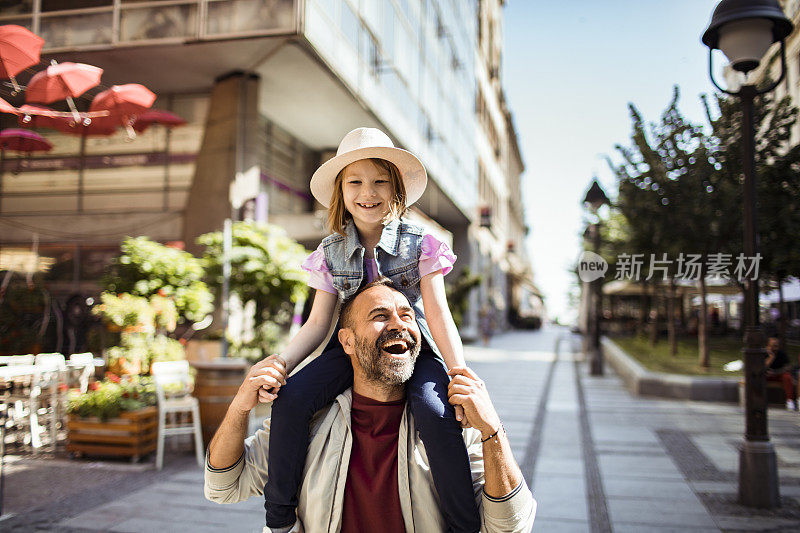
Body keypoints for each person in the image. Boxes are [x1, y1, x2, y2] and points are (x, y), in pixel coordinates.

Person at [261, 127, 480, 531]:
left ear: (395, 189)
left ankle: (464, 525)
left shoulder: (421, 244)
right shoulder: (329, 252)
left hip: (413, 354)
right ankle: (278, 521)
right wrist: (280, 364)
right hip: (352, 351)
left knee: (435, 412)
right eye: (356, 181)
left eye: (380, 181)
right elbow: (317, 323)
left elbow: (437, 313)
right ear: (341, 191)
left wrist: (459, 375)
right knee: (290, 401)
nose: (369, 192)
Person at [204, 278, 536, 532]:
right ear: (346, 340)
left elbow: (511, 525)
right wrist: (239, 408)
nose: (399, 324)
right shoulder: (310, 421)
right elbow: (223, 487)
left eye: (407, 316)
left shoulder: (451, 423)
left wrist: (493, 430)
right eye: (380, 315)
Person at [765, 336, 797, 411]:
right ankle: (758, 399)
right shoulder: (763, 353)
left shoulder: (782, 354)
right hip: (766, 375)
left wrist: (776, 372)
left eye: (776, 346)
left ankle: (790, 401)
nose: (774, 348)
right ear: (767, 346)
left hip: (778, 374)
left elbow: (788, 367)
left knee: (787, 377)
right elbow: (762, 367)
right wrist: (771, 357)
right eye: (772, 346)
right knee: (758, 377)